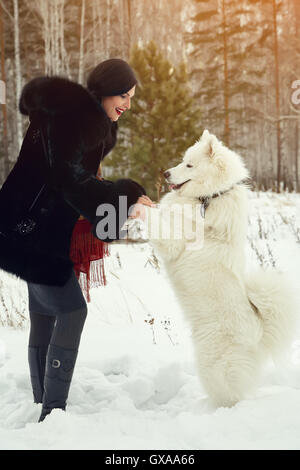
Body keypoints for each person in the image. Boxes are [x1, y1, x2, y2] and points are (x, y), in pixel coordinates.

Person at [0, 58, 154, 422]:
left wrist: (123, 198)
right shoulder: (75, 122)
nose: (127, 104)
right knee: (72, 311)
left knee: (44, 313)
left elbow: (71, 177)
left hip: (21, 226)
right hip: (34, 232)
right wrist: (124, 196)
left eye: (131, 97)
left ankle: (43, 401)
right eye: (123, 95)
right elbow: (68, 183)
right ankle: (53, 414)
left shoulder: (69, 118)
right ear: (104, 91)